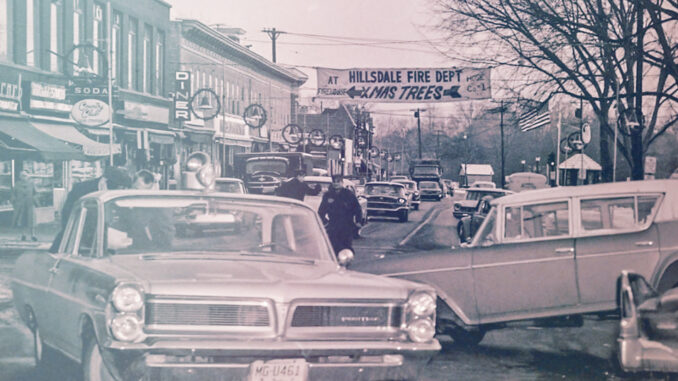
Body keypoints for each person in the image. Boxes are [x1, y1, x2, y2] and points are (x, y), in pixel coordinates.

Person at [49, 166, 132, 252]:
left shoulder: (119, 194)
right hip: (78, 241)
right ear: (105, 181)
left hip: (109, 242)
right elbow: (67, 216)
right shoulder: (80, 189)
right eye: (118, 187)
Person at [317, 174, 362, 254]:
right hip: (333, 224)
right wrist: (323, 221)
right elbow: (322, 210)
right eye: (334, 182)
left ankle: (346, 260)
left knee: (346, 245)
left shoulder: (348, 194)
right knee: (333, 245)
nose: (336, 183)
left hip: (346, 224)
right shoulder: (328, 195)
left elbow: (357, 208)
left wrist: (358, 221)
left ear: (342, 182)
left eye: (338, 181)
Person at [11, 171, 38, 241]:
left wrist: (34, 200)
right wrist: (14, 202)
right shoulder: (17, 184)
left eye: (25, 175)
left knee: (31, 220)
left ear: (28, 176)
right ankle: (23, 235)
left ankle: (33, 235)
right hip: (20, 205)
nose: (24, 177)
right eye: (22, 176)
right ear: (20, 177)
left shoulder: (32, 183)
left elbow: (36, 193)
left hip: (30, 204)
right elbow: (13, 194)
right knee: (22, 220)